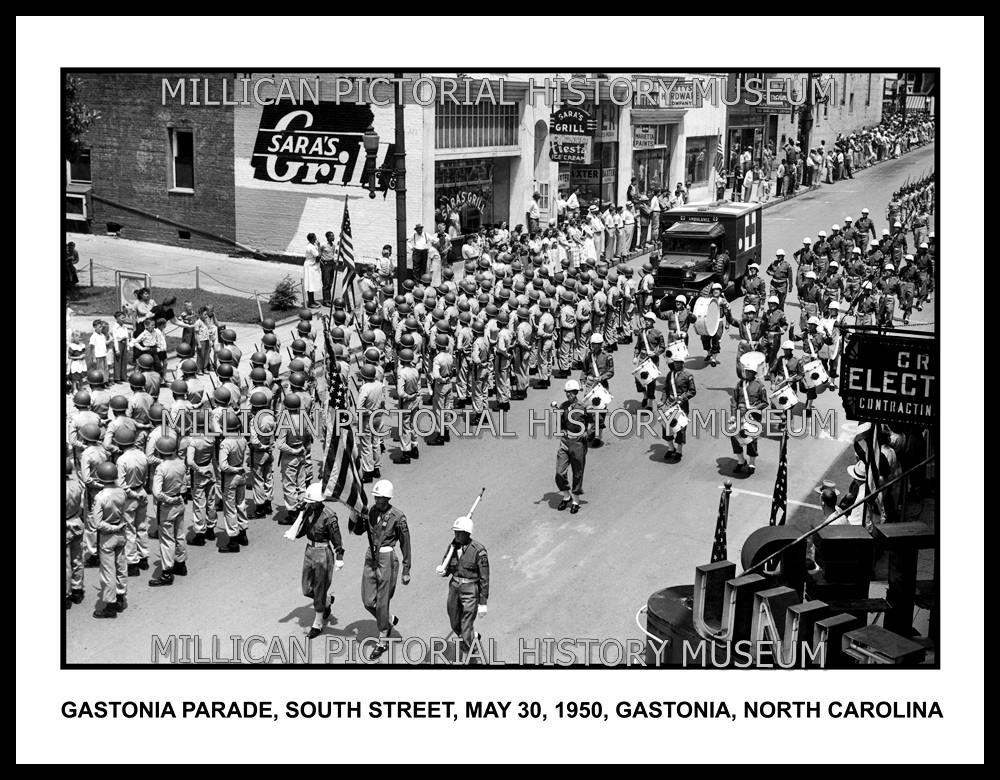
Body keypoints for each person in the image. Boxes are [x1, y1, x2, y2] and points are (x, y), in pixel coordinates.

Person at [352, 479, 411, 660]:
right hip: (371, 555)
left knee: (383, 601)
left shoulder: (398, 517)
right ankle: (387, 619)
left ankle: (383, 640)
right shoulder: (371, 511)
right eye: (376, 497)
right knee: (368, 600)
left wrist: (407, 568)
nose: (377, 501)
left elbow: (405, 543)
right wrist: (355, 515)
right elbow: (359, 531)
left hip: (387, 558)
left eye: (381, 498)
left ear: (388, 498)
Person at [436, 515, 490, 663]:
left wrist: (483, 602)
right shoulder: (452, 547)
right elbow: (447, 565)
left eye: (459, 532)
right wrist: (443, 571)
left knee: (466, 625)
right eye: (455, 532)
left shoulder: (478, 551)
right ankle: (472, 638)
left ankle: (468, 657)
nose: (456, 535)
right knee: (454, 622)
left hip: (470, 589)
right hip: (454, 586)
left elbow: (484, 578)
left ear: (467, 533)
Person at [294, 483, 345, 639]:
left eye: (312, 501)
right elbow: (302, 530)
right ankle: (326, 600)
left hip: (323, 552)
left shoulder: (329, 516)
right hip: (309, 550)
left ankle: (317, 623)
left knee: (319, 588)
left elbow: (337, 538)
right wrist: (295, 528)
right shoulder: (308, 510)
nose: (309, 503)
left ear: (319, 501)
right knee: (306, 589)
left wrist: (339, 557)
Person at [148, 435, 189, 586]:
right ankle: (181, 564)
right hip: (179, 501)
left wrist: (168, 499)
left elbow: (157, 492)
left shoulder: (162, 467)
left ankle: (167, 573)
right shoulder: (180, 463)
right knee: (179, 534)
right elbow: (185, 484)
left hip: (167, 505)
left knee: (166, 540)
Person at [92, 461, 129, 619]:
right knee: (121, 566)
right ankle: (121, 596)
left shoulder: (100, 497)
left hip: (108, 536)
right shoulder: (121, 492)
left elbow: (97, 523)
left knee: (108, 572)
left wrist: (113, 528)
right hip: (121, 532)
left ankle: (110, 605)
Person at [552, 379, 592, 513]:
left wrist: (587, 433)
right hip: (565, 441)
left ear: (576, 393)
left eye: (571, 392)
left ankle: (575, 500)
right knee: (559, 472)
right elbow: (561, 424)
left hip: (578, 443)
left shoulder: (583, 406)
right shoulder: (563, 406)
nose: (569, 395)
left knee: (577, 472)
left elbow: (594, 421)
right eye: (567, 392)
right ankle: (566, 496)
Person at [730, 357, 768, 475]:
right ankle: (741, 461)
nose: (746, 373)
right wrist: (732, 415)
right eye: (745, 371)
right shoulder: (739, 384)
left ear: (753, 373)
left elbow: (765, 402)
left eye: (749, 372)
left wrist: (755, 408)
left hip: (753, 417)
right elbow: (734, 401)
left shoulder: (759, 386)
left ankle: (752, 463)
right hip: (739, 415)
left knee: (751, 441)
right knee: (735, 437)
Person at [660, 356, 695, 462]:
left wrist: (683, 398)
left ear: (682, 363)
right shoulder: (669, 374)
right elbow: (665, 389)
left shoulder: (688, 375)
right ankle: (671, 448)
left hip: (681, 404)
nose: (675, 364)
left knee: (680, 427)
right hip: (669, 403)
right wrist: (662, 400)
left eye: (678, 363)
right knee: (666, 426)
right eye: (674, 363)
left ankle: (679, 450)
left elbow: (692, 391)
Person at [65, 459, 86, 609]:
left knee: (65, 564)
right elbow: (81, 506)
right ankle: (77, 590)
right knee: (78, 558)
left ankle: (66, 595)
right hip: (76, 521)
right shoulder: (77, 484)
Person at [633, 310, 665, 408]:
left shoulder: (658, 333)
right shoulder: (641, 333)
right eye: (646, 320)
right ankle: (645, 395)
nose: (647, 322)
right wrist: (635, 357)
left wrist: (655, 353)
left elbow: (663, 347)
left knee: (651, 382)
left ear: (653, 322)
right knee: (638, 379)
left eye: (649, 320)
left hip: (653, 360)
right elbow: (637, 346)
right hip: (642, 358)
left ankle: (650, 403)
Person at [303, 233, 323, 309]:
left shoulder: (311, 245)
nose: (316, 239)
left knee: (312, 284)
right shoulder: (311, 247)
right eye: (315, 237)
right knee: (310, 284)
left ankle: (312, 300)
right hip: (310, 267)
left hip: (311, 265)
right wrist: (319, 247)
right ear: (312, 239)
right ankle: (310, 303)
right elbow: (318, 256)